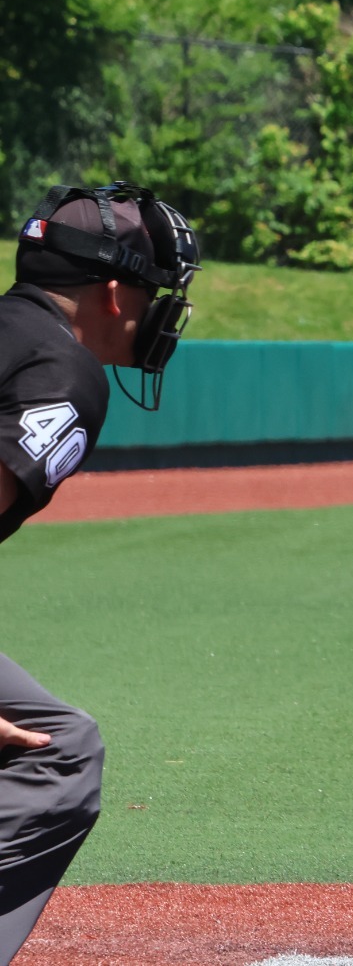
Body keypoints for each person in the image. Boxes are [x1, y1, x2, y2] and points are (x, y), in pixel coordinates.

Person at [0, 182, 199, 965]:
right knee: (59, 752)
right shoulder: (62, 370)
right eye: (155, 291)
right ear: (114, 294)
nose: (161, 310)